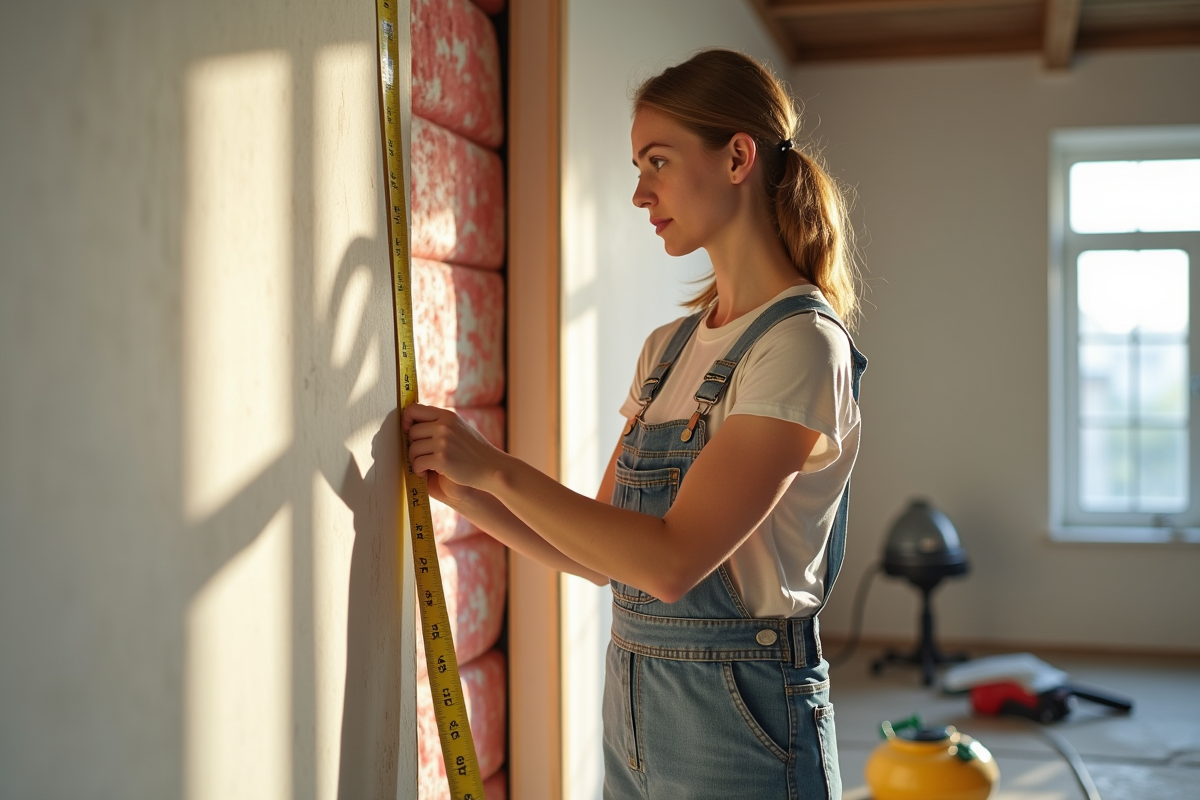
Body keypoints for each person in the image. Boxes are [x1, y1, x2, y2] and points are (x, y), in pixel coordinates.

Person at [402, 48, 865, 800]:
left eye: (657, 161)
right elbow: (609, 554)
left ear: (738, 157)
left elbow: (671, 563)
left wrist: (496, 469)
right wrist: (469, 496)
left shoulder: (801, 346)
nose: (639, 194)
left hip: (744, 720)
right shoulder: (669, 349)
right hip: (634, 706)